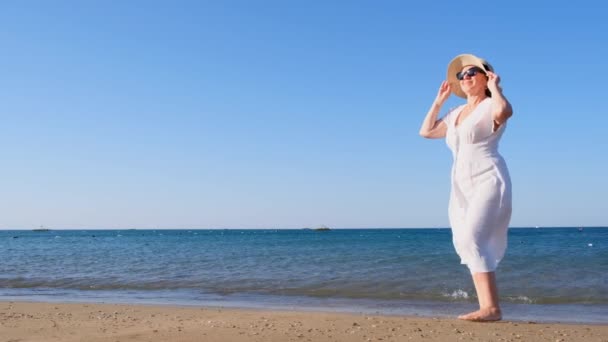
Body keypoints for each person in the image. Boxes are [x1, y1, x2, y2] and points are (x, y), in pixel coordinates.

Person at [418, 54, 513, 321]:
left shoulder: (491, 104)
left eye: (472, 72)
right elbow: (426, 131)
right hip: (461, 183)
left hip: (488, 177)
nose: (465, 77)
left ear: (486, 77)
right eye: (462, 75)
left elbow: (504, 113)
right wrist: (439, 102)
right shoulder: (456, 113)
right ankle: (488, 307)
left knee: (473, 237)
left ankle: (492, 308)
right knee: (464, 241)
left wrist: (496, 89)